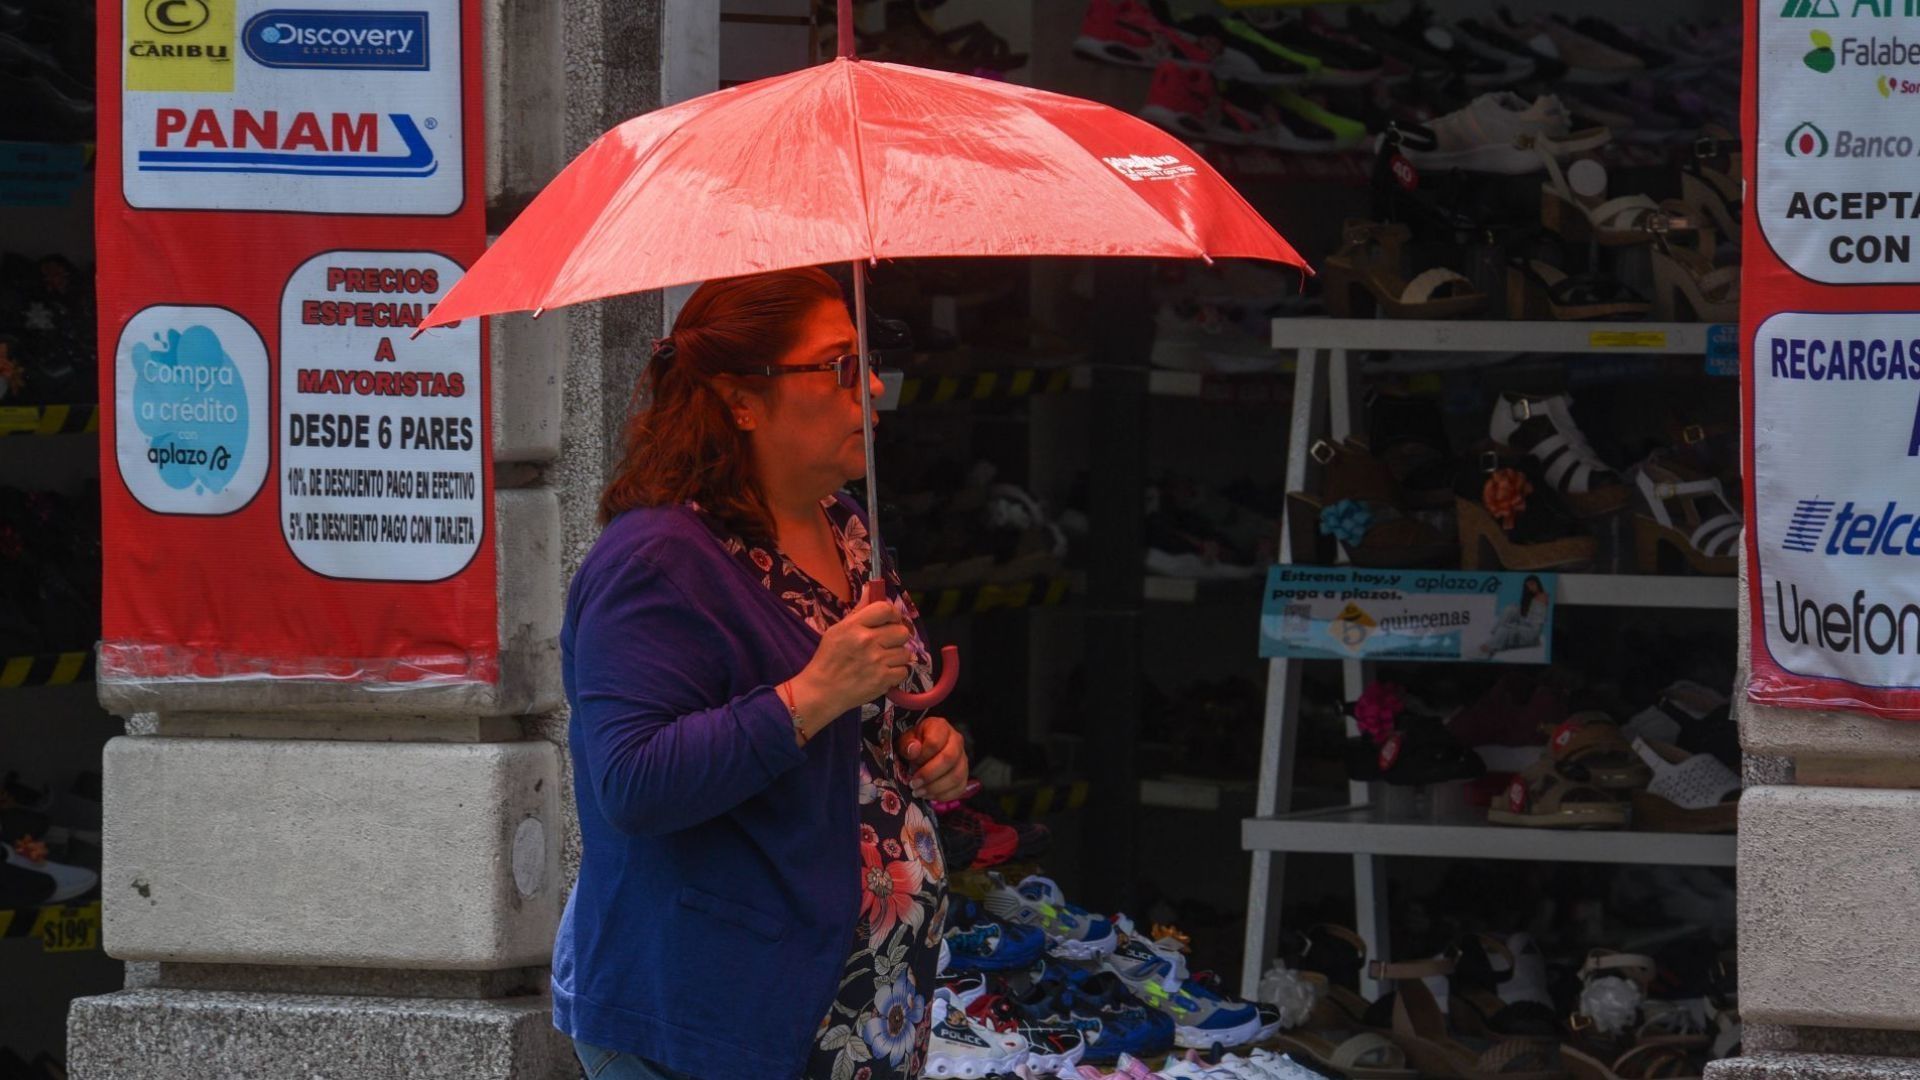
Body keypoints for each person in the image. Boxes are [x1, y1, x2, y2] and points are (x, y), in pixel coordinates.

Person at [554, 267, 970, 1080]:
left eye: (868, 363)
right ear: (742, 400)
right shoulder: (658, 559)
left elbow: (869, 717)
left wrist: (931, 747)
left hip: (855, 1012)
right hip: (710, 1017)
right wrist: (813, 694)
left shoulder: (846, 525)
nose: (874, 386)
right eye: (840, 366)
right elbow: (633, 783)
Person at [1477, 573, 1550, 658]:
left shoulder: (1542, 596)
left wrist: (1514, 626)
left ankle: (1489, 647)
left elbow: (1535, 623)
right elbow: (1527, 614)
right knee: (1510, 609)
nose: (1531, 587)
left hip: (1532, 632)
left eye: (1532, 584)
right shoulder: (1531, 596)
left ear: (1538, 583)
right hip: (1527, 623)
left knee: (1505, 628)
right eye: (1528, 586)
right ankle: (1494, 636)